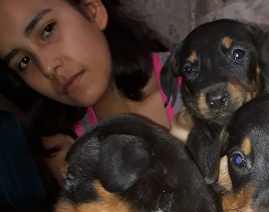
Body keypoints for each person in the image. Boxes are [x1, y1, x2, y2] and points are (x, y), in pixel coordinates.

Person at [0, 0, 180, 186]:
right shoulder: (69, 150)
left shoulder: (198, 85)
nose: (46, 68)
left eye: (47, 30)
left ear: (92, 11)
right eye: (24, 61)